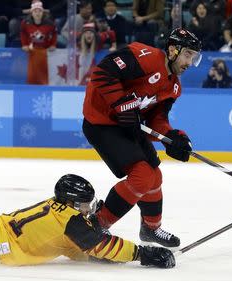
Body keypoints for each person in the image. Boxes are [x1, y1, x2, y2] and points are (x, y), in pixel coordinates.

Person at [82, 28, 202, 248]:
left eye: (193, 58)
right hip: (101, 123)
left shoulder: (174, 87)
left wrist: (173, 137)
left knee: (155, 176)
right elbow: (101, 74)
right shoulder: (143, 57)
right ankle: (95, 227)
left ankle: (150, 228)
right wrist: (122, 104)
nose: (189, 62)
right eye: (188, 55)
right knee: (142, 175)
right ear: (173, 50)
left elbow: (157, 120)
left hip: (128, 126)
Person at [0, 174, 175, 268]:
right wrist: (142, 254)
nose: (88, 208)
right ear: (73, 203)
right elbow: (104, 245)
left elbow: (73, 247)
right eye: (85, 204)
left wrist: (97, 255)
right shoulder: (72, 224)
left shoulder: (57, 207)